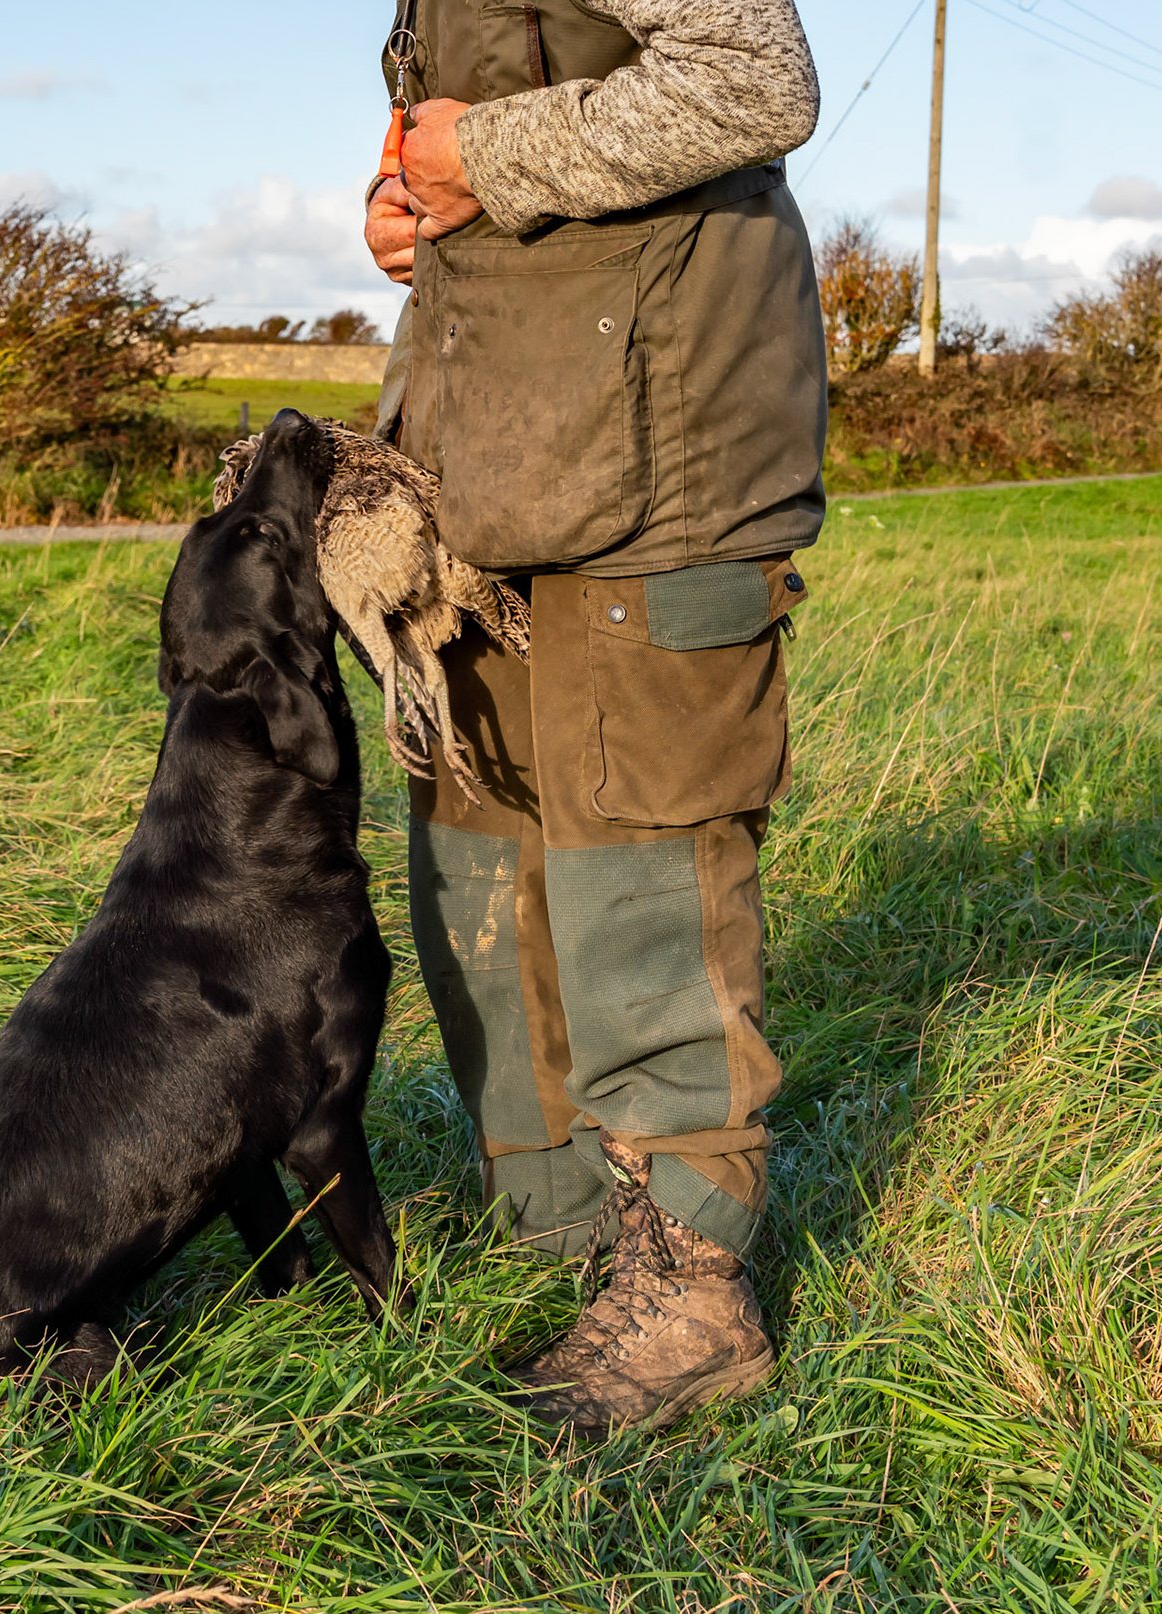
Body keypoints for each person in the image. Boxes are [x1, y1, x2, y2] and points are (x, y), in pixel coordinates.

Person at [362, 0, 826, 1436]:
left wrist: (483, 154)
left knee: (639, 875)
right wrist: (411, 201)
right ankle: (565, 1240)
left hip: (662, 468)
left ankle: (689, 1296)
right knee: (484, 869)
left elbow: (754, 80)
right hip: (503, 460)